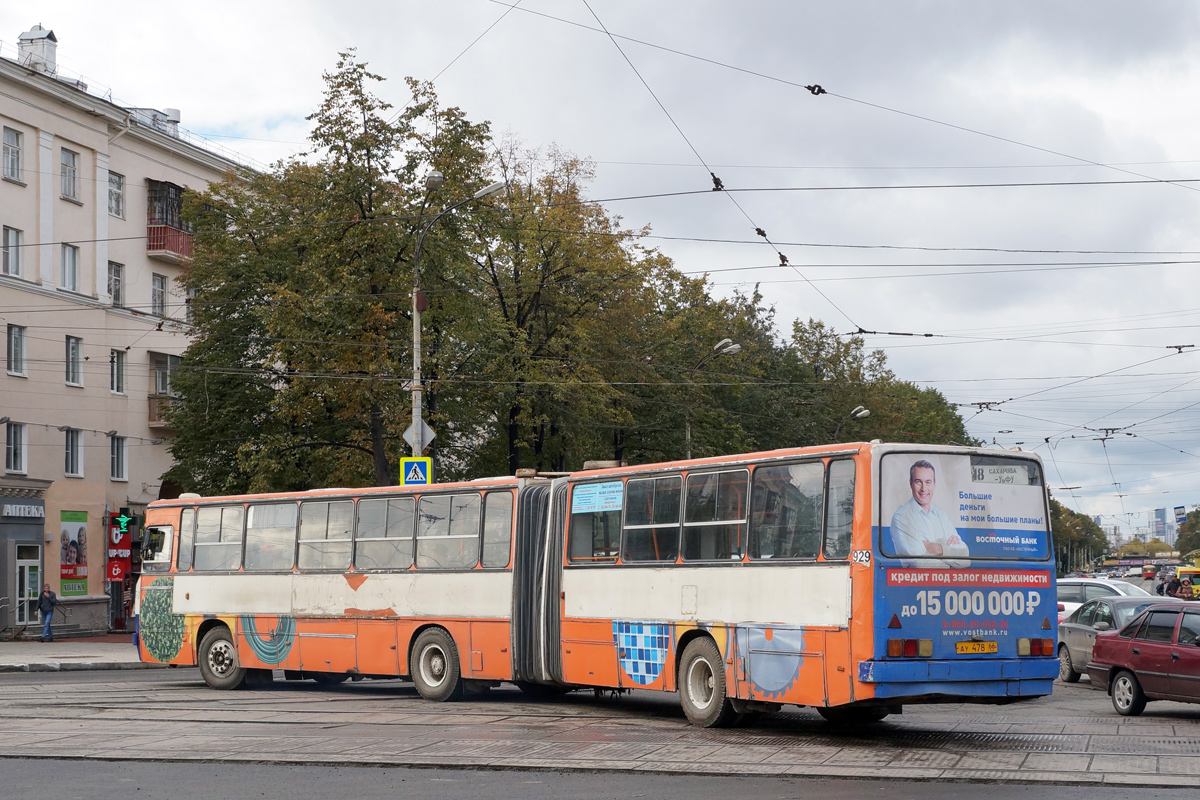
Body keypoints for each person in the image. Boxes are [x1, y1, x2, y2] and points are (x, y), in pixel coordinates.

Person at [890, 460, 970, 568]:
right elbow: (919, 564)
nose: (924, 488)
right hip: (918, 584)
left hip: (948, 584)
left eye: (928, 482)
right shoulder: (902, 517)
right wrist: (950, 555)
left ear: (934, 484)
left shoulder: (942, 517)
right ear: (911, 483)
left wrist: (936, 549)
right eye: (918, 482)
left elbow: (965, 559)